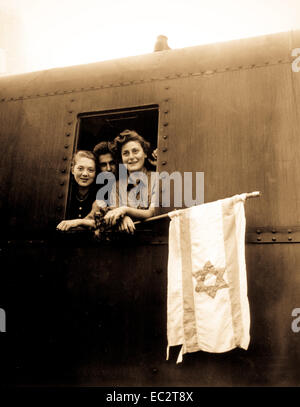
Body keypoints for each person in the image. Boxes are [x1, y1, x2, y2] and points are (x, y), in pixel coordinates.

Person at [87, 130, 158, 235]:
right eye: (126, 153)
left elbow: (151, 212)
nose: (131, 157)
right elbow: (114, 213)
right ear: (121, 158)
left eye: (135, 151)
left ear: (145, 154)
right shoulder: (116, 186)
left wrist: (124, 210)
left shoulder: (157, 179)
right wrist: (123, 217)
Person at [56, 150, 97, 231]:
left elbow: (100, 222)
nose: (85, 174)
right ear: (72, 170)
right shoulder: (65, 192)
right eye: (80, 169)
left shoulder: (100, 194)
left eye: (90, 170)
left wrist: (78, 222)